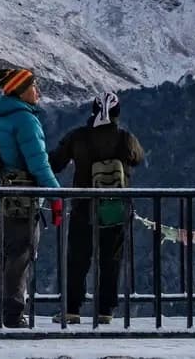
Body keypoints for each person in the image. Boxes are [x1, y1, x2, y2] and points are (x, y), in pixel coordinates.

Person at [48, 92, 145, 325]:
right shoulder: (125, 138)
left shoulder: (77, 137)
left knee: (78, 258)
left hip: (83, 205)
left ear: (93, 111)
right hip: (115, 207)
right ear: (117, 113)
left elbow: (55, 162)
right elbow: (138, 158)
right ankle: (105, 310)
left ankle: (72, 309)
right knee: (111, 258)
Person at [0, 67, 60, 329]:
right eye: (34, 86)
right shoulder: (24, 120)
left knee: (4, 257)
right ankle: (14, 315)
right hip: (20, 203)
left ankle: (4, 310)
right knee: (21, 256)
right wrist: (56, 195)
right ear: (21, 89)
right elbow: (39, 164)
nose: (37, 91)